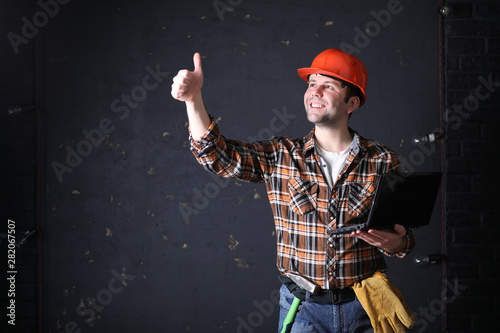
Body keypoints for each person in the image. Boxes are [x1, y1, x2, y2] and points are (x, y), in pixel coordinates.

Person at [171, 49, 415, 333]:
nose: (315, 91)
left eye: (329, 85)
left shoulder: (383, 160)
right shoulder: (281, 155)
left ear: (352, 102)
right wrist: (193, 99)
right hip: (303, 309)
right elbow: (216, 156)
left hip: (366, 306)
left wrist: (395, 243)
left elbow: (404, 239)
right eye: (312, 83)